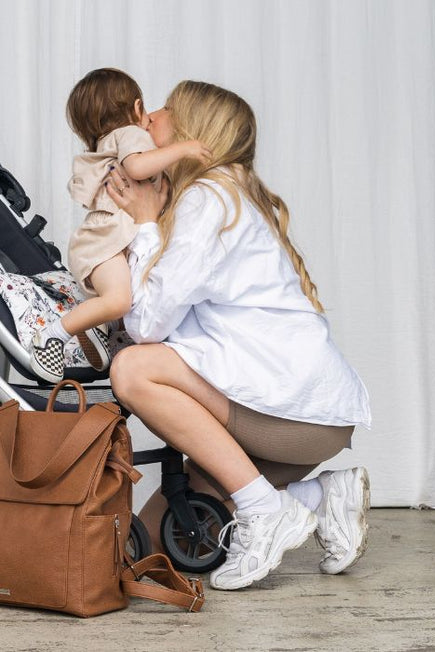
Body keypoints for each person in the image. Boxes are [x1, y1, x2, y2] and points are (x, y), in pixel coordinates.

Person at [105, 80, 372, 591]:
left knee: (133, 369)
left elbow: (147, 327)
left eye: (162, 111)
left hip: (290, 419)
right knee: (164, 537)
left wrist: (142, 224)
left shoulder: (208, 200)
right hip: (305, 417)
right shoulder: (225, 192)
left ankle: (265, 511)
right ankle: (321, 497)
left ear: (190, 131)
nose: (149, 118)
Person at [27, 68, 211, 382]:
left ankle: (99, 330)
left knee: (123, 300)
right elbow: (138, 166)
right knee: (120, 300)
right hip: (104, 243)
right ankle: (52, 336)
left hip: (105, 241)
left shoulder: (110, 141)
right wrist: (185, 148)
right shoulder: (130, 135)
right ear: (137, 108)